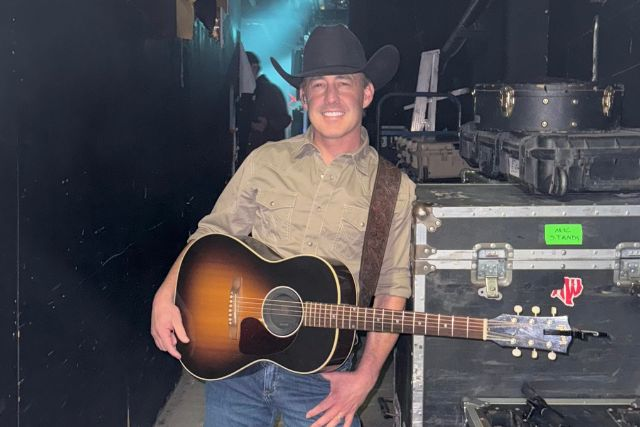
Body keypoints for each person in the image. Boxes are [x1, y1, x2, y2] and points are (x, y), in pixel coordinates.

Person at [151, 24, 416, 427]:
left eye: (343, 84)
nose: (330, 97)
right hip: (236, 362)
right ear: (303, 97)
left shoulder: (394, 189)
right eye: (318, 85)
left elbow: (392, 290)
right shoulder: (266, 161)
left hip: (321, 377)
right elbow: (213, 232)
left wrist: (365, 378)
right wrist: (166, 294)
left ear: (365, 94)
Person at [238, 51, 292, 164]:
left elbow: (285, 119)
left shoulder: (270, 91)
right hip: (250, 157)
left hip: (268, 158)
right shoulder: (243, 92)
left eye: (243, 68)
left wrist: (267, 124)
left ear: (254, 68)